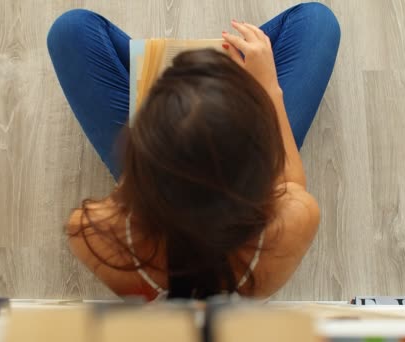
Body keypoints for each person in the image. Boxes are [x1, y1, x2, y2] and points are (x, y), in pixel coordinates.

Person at [47, 2, 340, 301]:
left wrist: (161, 129)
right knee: (318, 20)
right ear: (260, 159)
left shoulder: (91, 232)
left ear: (141, 155)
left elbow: (129, 189)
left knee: (69, 30)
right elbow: (290, 185)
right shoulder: (291, 222)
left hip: (155, 187)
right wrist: (267, 89)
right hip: (195, 170)